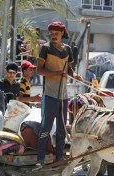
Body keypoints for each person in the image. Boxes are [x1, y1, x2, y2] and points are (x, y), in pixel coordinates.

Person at [36, 21, 82, 166]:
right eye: (52, 33)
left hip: (63, 94)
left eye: (56, 33)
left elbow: (69, 70)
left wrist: (75, 75)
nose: (53, 36)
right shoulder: (45, 48)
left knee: (62, 127)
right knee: (46, 126)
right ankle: (40, 159)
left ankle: (59, 157)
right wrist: (56, 73)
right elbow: (39, 70)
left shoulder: (68, 49)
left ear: (62, 33)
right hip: (50, 93)